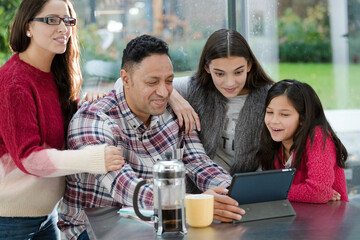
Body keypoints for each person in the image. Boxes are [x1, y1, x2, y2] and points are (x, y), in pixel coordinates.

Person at [58, 34, 245, 240]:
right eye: (153, 82)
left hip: (154, 222)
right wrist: (193, 202)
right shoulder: (94, 120)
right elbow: (126, 188)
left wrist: (233, 193)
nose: (164, 92)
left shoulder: (172, 113)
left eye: (169, 81)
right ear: (125, 79)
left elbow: (199, 163)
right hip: (94, 228)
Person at [0, 0, 124, 239]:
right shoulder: (12, 82)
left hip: (48, 218)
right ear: (28, 27)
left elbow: (63, 131)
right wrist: (94, 159)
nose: (64, 28)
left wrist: (89, 103)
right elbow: (29, 158)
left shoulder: (57, 75)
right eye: (51, 20)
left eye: (67, 21)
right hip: (10, 223)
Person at [165, 29, 273, 193]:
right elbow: (124, 85)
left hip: (253, 194)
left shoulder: (270, 96)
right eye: (220, 73)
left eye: (238, 72)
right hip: (203, 195)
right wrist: (173, 97)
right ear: (207, 68)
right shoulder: (194, 88)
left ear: (249, 65)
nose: (230, 83)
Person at [256, 79, 349, 203]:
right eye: (269, 112)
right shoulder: (275, 142)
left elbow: (319, 192)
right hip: (294, 217)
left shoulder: (317, 136)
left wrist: (271, 191)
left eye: (284, 115)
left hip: (328, 218)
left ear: (303, 118)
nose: (273, 121)